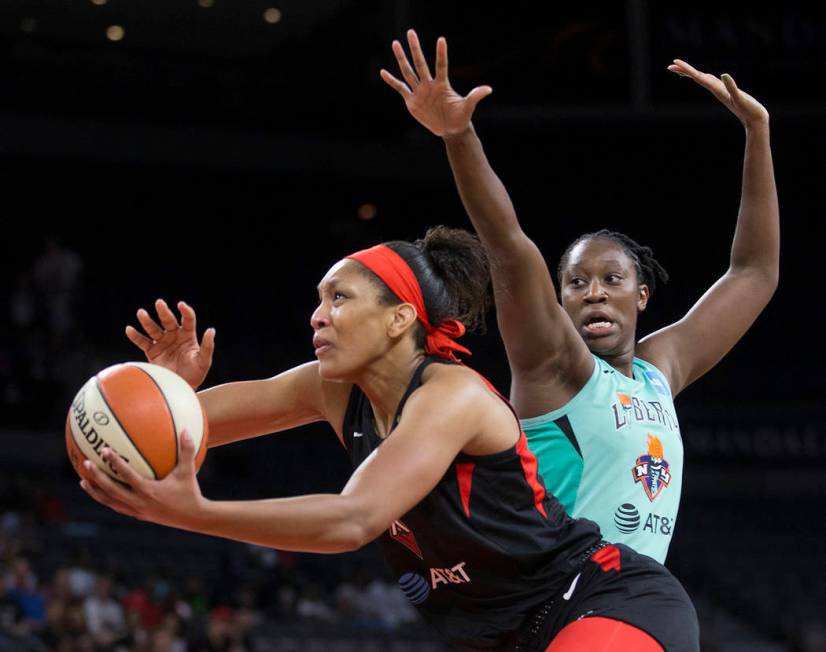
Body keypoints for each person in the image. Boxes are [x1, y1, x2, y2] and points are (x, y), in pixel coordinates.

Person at [79, 227, 698, 650]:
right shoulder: (330, 388)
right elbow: (183, 436)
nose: (318, 316)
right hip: (498, 636)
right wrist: (171, 394)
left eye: (339, 298)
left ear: (400, 317)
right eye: (318, 301)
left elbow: (354, 518)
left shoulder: (451, 396)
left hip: (600, 599)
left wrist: (198, 514)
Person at [381, 31, 780, 564]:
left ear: (641, 296)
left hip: (627, 599)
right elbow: (508, 247)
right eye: (575, 282)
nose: (593, 292)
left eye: (612, 280)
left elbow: (754, 272)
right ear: (560, 299)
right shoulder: (555, 368)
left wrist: (758, 130)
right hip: (558, 601)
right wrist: (460, 138)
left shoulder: (661, 369)